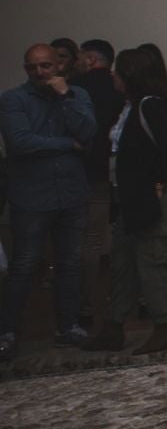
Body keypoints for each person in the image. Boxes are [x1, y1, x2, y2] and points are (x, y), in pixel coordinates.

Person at [0, 43, 97, 357]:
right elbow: (21, 142)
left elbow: (89, 133)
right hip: (31, 195)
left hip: (71, 192)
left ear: (59, 66)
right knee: (24, 264)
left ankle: (67, 327)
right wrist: (67, 143)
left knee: (70, 263)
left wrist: (65, 97)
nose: (39, 72)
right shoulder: (13, 99)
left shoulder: (77, 96)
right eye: (32, 67)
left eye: (45, 66)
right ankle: (9, 332)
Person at [85, 45, 167, 353]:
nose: (112, 74)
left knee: (151, 261)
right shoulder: (130, 105)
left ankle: (166, 323)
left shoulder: (151, 107)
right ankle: (113, 324)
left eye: (118, 70)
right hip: (128, 197)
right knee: (122, 262)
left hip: (149, 199)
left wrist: (159, 181)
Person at [73, 39, 124, 318]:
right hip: (108, 172)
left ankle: (84, 301)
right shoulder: (116, 90)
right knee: (99, 238)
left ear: (91, 60)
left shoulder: (78, 89)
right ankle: (102, 299)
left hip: (82, 170)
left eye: (80, 57)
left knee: (84, 240)